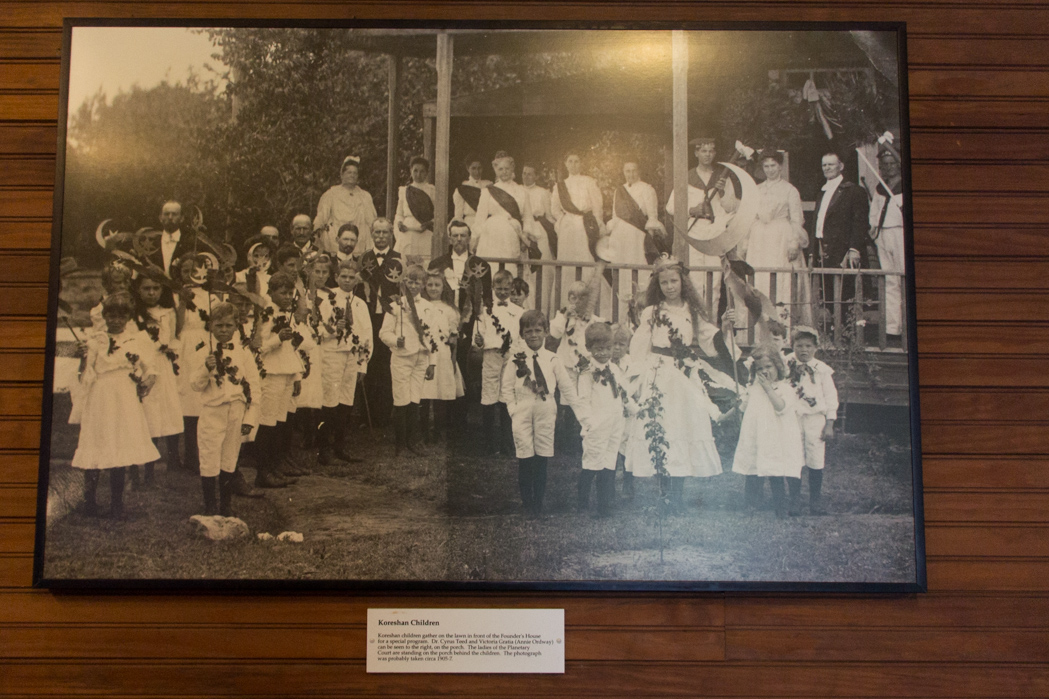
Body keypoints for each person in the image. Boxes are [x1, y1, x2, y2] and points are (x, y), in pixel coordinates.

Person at [621, 255, 737, 512]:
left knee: (682, 429)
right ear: (658, 286)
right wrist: (636, 378)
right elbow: (640, 345)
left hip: (683, 375)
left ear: (683, 282)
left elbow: (709, 340)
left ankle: (677, 496)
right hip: (658, 374)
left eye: (674, 281)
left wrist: (725, 328)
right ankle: (664, 493)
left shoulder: (692, 312)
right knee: (660, 428)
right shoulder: (652, 312)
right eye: (664, 283)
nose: (670, 287)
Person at [70, 293, 159, 519]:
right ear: (105, 316)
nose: (116, 320)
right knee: (96, 442)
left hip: (124, 399)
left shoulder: (136, 340)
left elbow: (152, 369)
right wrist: (82, 357)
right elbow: (85, 374)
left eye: (121, 315)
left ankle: (116, 504)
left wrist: (145, 384)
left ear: (128, 317)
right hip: (100, 397)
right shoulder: (95, 340)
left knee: (119, 447)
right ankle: (89, 502)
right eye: (111, 315)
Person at [501, 310, 588, 516]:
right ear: (522, 334)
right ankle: (527, 504)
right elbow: (506, 387)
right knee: (525, 456)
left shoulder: (553, 359)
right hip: (522, 409)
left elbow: (566, 388)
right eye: (528, 331)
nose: (533, 335)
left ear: (546, 332)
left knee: (541, 456)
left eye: (538, 330)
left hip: (545, 409)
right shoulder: (516, 359)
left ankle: (538, 504)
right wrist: (513, 409)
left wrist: (581, 414)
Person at [188, 302, 261, 517]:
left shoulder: (244, 353)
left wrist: (250, 417)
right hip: (212, 410)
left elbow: (254, 386)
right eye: (219, 325)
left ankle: (226, 505)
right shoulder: (203, 351)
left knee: (230, 455)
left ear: (236, 326)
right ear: (210, 326)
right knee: (210, 455)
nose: (223, 330)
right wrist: (206, 368)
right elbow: (195, 384)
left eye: (228, 325)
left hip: (236, 410)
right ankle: (210, 505)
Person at [664, 138, 740, 314]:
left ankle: (711, 322)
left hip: (715, 232)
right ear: (696, 153)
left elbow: (731, 207)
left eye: (711, 151)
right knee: (694, 279)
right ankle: (693, 322)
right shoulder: (686, 177)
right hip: (694, 232)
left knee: (714, 280)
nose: (708, 155)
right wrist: (691, 210)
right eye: (704, 151)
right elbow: (671, 207)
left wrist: (721, 192)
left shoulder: (723, 177)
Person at [730, 345, 805, 518]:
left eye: (768, 367)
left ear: (778, 366)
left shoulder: (785, 388)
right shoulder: (754, 388)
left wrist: (768, 389)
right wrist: (724, 416)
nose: (764, 372)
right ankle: (750, 505)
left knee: (775, 471)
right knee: (753, 469)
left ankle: (780, 508)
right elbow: (742, 406)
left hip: (776, 438)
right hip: (757, 436)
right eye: (760, 368)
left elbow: (781, 407)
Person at [576, 323, 637, 518]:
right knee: (592, 462)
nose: (604, 353)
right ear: (589, 349)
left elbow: (624, 392)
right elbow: (582, 401)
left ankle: (605, 504)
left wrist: (635, 409)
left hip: (615, 423)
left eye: (608, 348)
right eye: (599, 349)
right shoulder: (587, 373)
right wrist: (589, 423)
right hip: (597, 424)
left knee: (609, 462)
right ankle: (582, 501)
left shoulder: (615, 370)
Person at [316, 257, 372, 464]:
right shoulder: (326, 299)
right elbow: (318, 330)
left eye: (351, 277)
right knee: (329, 400)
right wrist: (333, 331)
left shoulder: (360, 304)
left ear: (356, 279)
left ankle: (340, 446)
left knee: (346, 400)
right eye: (344, 277)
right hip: (332, 354)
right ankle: (324, 449)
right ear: (336, 277)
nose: (347, 281)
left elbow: (366, 335)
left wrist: (362, 363)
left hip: (352, 356)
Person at [253, 271, 306, 488]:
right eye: (283, 293)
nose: (287, 297)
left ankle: (275, 467)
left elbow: (291, 350)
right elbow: (257, 348)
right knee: (267, 423)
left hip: (285, 372)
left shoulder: (286, 314)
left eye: (290, 293)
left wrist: (295, 375)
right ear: (271, 292)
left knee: (278, 424)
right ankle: (262, 472)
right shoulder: (265, 314)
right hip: (271, 373)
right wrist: (277, 339)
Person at [131, 272, 184, 485]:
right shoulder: (135, 314)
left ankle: (166, 463)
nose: (151, 292)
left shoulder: (168, 312)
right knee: (146, 415)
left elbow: (173, 337)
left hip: (163, 365)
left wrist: (169, 349)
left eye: (156, 288)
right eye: (146, 288)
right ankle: (141, 470)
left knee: (166, 412)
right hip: (144, 366)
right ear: (138, 290)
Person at [379, 264, 437, 455]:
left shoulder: (429, 308)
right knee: (401, 399)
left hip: (421, 357)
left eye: (417, 282)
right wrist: (396, 340)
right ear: (404, 282)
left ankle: (413, 441)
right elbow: (383, 333)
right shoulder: (396, 306)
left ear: (423, 284)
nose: (413, 285)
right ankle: (400, 443)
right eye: (410, 281)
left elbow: (433, 337)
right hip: (402, 358)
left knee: (415, 398)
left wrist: (432, 363)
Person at [174, 253, 222, 474]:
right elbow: (176, 326)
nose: (191, 275)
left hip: (204, 346)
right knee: (185, 399)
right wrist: (183, 301)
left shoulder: (211, 296)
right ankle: (183, 456)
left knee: (202, 400)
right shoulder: (175, 296)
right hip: (184, 347)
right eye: (186, 271)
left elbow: (216, 323)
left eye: (196, 271)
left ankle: (202, 454)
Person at [784, 325, 839, 515]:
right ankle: (794, 501)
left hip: (816, 419)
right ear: (792, 346)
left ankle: (815, 502)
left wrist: (830, 423)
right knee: (794, 457)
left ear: (815, 348)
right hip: (793, 418)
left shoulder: (822, 370)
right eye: (799, 346)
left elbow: (831, 397)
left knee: (815, 458)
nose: (804, 350)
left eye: (808, 346)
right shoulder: (786, 365)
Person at [746, 150, 808, 308]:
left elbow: (796, 219)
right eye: (766, 166)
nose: (770, 169)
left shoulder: (790, 190)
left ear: (780, 167)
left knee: (781, 277)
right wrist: (746, 241)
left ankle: (782, 319)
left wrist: (794, 242)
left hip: (781, 237)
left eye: (773, 165)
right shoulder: (757, 189)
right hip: (759, 239)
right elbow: (751, 216)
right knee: (759, 277)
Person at [811, 151, 870, 315]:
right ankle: (833, 335)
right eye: (824, 165)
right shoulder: (822, 191)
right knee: (829, 295)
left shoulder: (854, 191)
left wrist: (854, 249)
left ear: (841, 166)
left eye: (831, 164)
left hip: (844, 252)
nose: (827, 168)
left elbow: (860, 223)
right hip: (825, 250)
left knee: (846, 295)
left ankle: (846, 337)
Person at [358, 218, 403, 429]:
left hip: (388, 317)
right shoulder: (364, 259)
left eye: (385, 233)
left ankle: (384, 415)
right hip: (368, 317)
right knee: (368, 361)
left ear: (391, 235)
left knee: (386, 365)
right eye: (377, 232)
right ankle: (364, 417)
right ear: (372, 233)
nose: (381, 236)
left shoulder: (398, 259)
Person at [474, 269, 523, 454]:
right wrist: (479, 341)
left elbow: (519, 337)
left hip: (510, 355)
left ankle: (506, 441)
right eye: (499, 288)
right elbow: (478, 335)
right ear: (493, 287)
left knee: (507, 394)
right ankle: (488, 442)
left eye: (506, 288)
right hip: (491, 354)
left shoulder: (518, 311)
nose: (502, 292)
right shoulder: (486, 310)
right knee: (489, 394)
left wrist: (518, 355)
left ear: (511, 288)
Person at [551, 151, 608, 309]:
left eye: (577, 161)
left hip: (585, 226)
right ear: (566, 164)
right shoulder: (560, 185)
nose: (574, 164)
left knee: (586, 260)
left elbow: (597, 206)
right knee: (567, 263)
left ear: (581, 164)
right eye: (570, 161)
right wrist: (563, 221)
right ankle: (565, 305)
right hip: (568, 229)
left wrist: (595, 224)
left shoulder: (589, 181)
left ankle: (589, 304)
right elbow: (554, 209)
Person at [608, 158, 666, 298]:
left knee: (638, 267)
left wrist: (649, 238)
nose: (631, 174)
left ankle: (640, 303)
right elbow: (615, 215)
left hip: (637, 236)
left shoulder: (647, 189)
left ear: (638, 171)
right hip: (620, 236)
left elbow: (652, 216)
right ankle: (621, 308)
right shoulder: (619, 191)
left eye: (634, 170)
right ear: (623, 172)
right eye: (628, 171)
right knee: (622, 269)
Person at [474, 151, 537, 277]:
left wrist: (525, 237)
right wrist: (475, 238)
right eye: (500, 169)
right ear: (495, 170)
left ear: (513, 168)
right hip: (491, 235)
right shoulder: (488, 191)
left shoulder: (521, 191)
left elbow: (528, 217)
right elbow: (480, 218)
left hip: (512, 234)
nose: (504, 172)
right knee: (491, 268)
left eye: (507, 168)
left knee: (510, 269)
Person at [419, 270, 462, 442]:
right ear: (424, 286)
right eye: (430, 284)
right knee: (424, 391)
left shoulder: (450, 310)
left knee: (440, 392)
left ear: (443, 287)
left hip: (443, 353)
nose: (433, 288)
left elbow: (453, 338)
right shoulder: (420, 305)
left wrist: (452, 359)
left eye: (437, 285)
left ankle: (436, 430)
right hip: (425, 351)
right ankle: (422, 429)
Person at [869, 144, 906, 341]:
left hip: (900, 233)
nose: (888, 168)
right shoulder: (880, 189)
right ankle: (893, 328)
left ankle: (907, 325)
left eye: (892, 163)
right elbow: (873, 213)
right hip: (883, 235)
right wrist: (874, 230)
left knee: (903, 278)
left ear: (899, 165)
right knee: (890, 280)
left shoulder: (905, 186)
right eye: (885, 164)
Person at [314, 155, 378, 256]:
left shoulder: (365, 196)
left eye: (355, 173)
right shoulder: (331, 194)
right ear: (342, 174)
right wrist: (316, 230)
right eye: (349, 172)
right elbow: (322, 215)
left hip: (359, 241)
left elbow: (372, 221)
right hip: (335, 240)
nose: (352, 175)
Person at [394, 156, 437, 262]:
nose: (418, 175)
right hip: (408, 230)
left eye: (422, 171)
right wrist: (399, 223)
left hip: (425, 230)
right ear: (410, 171)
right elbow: (399, 213)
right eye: (415, 171)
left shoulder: (432, 190)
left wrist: (429, 223)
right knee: (406, 261)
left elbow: (438, 214)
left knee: (425, 261)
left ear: (427, 173)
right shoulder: (404, 190)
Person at [150, 200, 197, 278]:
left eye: (174, 214)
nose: (170, 217)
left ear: (181, 218)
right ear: (160, 218)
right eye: (166, 214)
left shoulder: (191, 242)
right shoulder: (152, 242)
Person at [452, 154, 491, 241]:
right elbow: (458, 215)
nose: (477, 172)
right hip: (469, 224)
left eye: (479, 168)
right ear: (467, 168)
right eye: (473, 168)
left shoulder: (488, 185)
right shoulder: (462, 188)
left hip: (486, 224)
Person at [235, 235, 275, 302]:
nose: (261, 260)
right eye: (256, 255)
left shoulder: (271, 278)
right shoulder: (238, 276)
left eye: (266, 256)